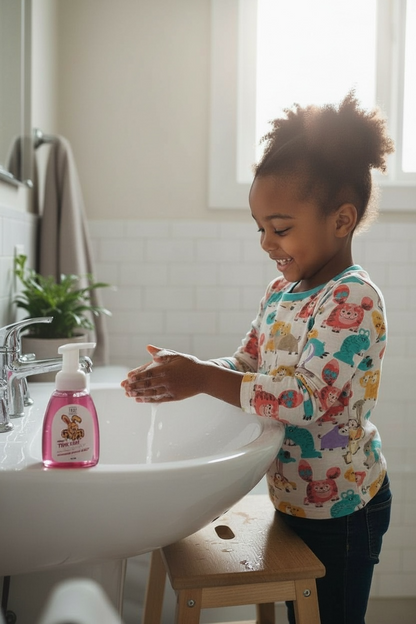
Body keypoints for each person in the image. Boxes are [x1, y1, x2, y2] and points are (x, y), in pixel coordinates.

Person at [121, 92, 393, 624]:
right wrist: (188, 368)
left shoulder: (352, 300)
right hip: (293, 497)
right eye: (260, 227)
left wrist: (199, 379)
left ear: (341, 220)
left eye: (281, 227)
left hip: (343, 506)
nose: (267, 242)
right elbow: (249, 366)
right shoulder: (281, 292)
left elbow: (307, 401)